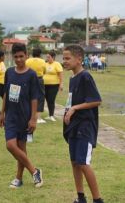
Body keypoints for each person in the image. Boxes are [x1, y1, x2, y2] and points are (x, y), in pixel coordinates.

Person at [0, 43, 43, 188]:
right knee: (11, 145)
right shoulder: (9, 72)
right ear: (12, 57)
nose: (18, 59)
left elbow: (34, 98)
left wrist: (33, 119)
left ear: (26, 56)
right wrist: (2, 112)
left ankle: (18, 179)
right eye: (15, 56)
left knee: (21, 149)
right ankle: (34, 171)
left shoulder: (31, 75)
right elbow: (5, 93)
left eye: (21, 56)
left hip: (25, 117)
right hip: (10, 116)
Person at [62, 45, 104, 203]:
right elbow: (72, 100)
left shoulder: (86, 76)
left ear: (79, 59)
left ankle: (98, 199)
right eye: (63, 58)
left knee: (83, 163)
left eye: (67, 58)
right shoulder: (72, 78)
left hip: (84, 127)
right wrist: (67, 111)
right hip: (73, 126)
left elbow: (96, 100)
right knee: (74, 162)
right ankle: (80, 197)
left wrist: (74, 108)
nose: (64, 61)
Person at [26, 47, 47, 124]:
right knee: (40, 97)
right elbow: (45, 71)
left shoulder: (28, 61)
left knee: (28, 96)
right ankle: (38, 117)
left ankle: (28, 115)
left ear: (32, 54)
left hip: (28, 80)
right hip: (39, 79)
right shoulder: (42, 61)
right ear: (40, 54)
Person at [43, 50, 63, 122]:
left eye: (49, 57)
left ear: (53, 57)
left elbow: (60, 74)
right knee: (46, 100)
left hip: (54, 85)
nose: (47, 58)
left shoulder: (57, 64)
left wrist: (61, 84)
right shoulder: (45, 64)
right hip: (44, 85)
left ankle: (51, 115)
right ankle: (49, 115)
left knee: (51, 100)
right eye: (47, 57)